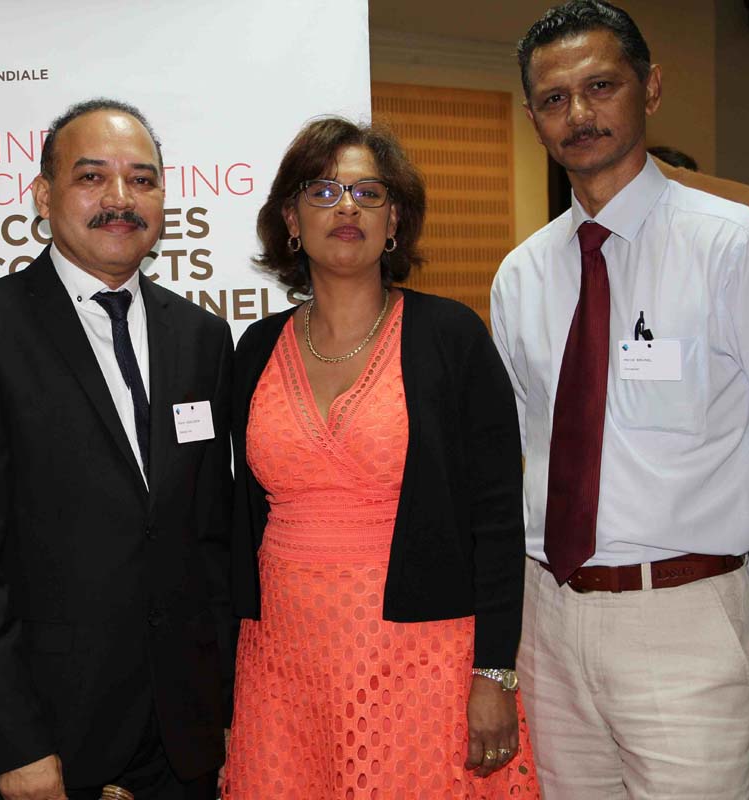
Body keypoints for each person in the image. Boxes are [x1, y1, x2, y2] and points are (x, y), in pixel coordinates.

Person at [491, 2, 749, 797]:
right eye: (554, 98)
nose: (579, 113)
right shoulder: (521, 276)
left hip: (686, 620)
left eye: (601, 86)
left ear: (651, 88)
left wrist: (738, 595)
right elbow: (520, 452)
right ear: (533, 118)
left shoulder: (739, 249)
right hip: (548, 622)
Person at [0, 98, 234, 800]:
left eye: (142, 180)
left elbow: (208, 535)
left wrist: (222, 704)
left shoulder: (202, 338)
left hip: (184, 734)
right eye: (92, 177)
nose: (120, 199)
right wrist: (15, 740)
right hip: (52, 735)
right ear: (43, 196)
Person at [224, 117, 540, 798]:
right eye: (324, 191)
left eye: (368, 194)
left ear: (393, 221)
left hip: (423, 658)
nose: (347, 208)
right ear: (290, 220)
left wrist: (494, 672)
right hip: (281, 660)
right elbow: (234, 520)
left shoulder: (451, 336)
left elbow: (495, 517)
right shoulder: (254, 349)